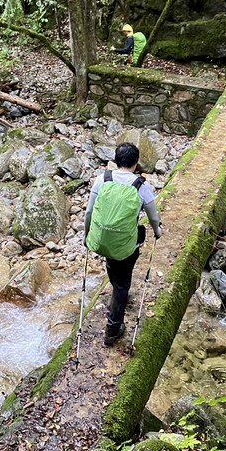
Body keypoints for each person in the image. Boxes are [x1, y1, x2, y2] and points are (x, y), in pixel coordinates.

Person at [84, 142, 162, 345]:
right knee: (122, 283)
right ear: (135, 164)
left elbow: (89, 213)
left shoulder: (102, 179)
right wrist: (157, 231)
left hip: (103, 239)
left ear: (115, 161)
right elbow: (153, 217)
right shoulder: (141, 185)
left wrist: (87, 236)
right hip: (126, 244)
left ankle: (118, 291)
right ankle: (113, 327)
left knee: (113, 267)